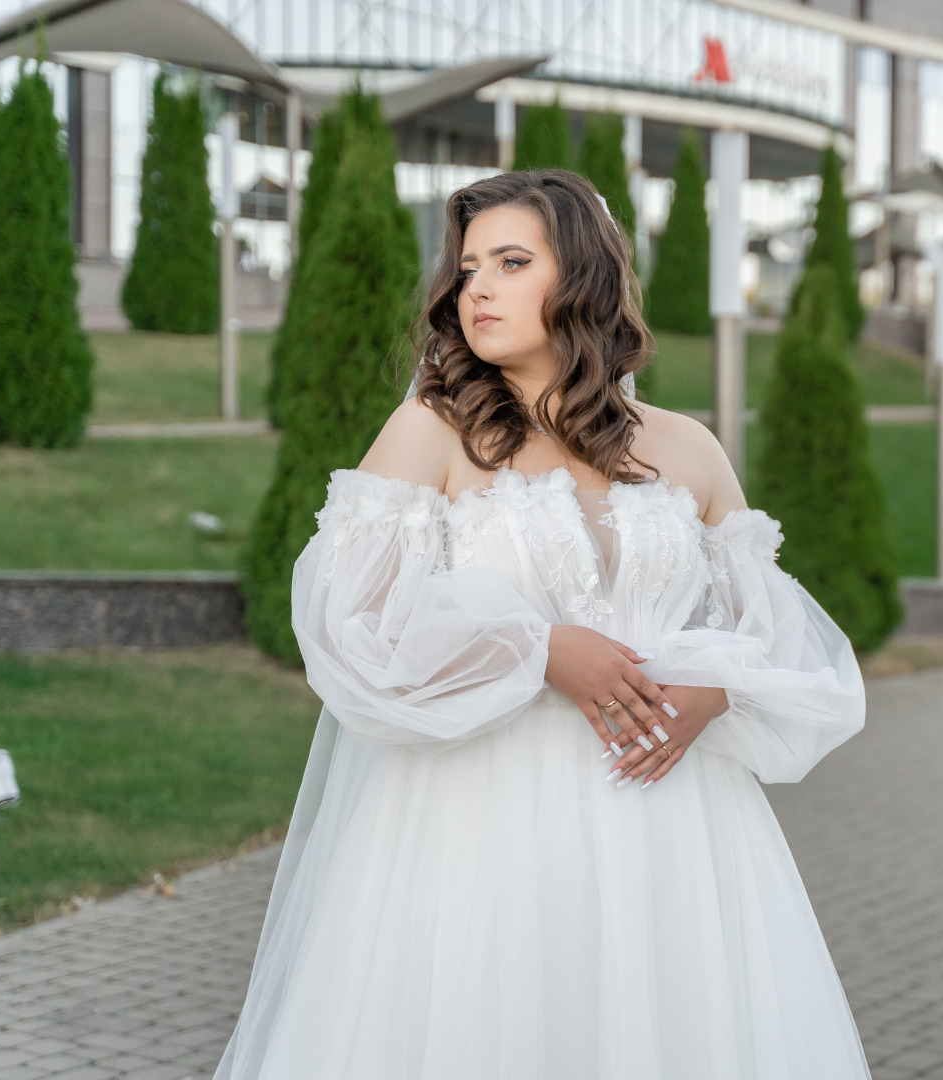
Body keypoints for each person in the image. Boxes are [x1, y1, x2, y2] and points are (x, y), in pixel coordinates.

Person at [214, 170, 872, 1079]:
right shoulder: (432, 431)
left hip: (674, 830)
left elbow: (768, 627)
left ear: (585, 280)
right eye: (468, 266)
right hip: (478, 819)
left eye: (512, 261)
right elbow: (350, 628)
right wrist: (540, 649)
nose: (475, 286)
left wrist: (713, 692)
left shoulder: (687, 446)